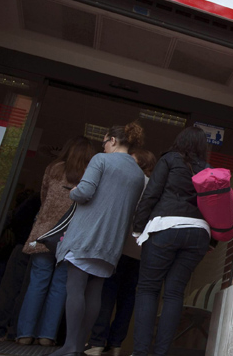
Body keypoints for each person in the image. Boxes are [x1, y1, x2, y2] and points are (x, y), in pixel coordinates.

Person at [49, 122, 147, 356]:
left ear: (113, 140)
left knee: (75, 288)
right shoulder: (138, 174)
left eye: (104, 142)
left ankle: (71, 346)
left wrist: (71, 191)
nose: (103, 147)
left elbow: (84, 192)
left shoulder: (101, 160)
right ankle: (80, 344)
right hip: (112, 242)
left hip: (87, 234)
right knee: (95, 291)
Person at [131, 127, 212, 356]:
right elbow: (214, 205)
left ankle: (140, 351)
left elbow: (151, 194)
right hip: (197, 234)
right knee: (175, 293)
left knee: (148, 288)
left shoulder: (169, 159)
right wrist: (212, 240)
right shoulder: (207, 169)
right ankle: (161, 352)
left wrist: (138, 229)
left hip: (166, 227)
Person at [17, 137, 96, 347]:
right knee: (61, 286)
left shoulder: (53, 168)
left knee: (37, 283)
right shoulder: (91, 175)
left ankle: (25, 334)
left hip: (45, 233)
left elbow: (43, 198)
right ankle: (47, 336)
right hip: (70, 237)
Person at [85, 149, 157, 356]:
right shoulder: (153, 186)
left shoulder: (131, 180)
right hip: (141, 251)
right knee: (127, 300)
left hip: (119, 247)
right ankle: (116, 344)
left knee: (106, 294)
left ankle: (97, 342)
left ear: (140, 163)